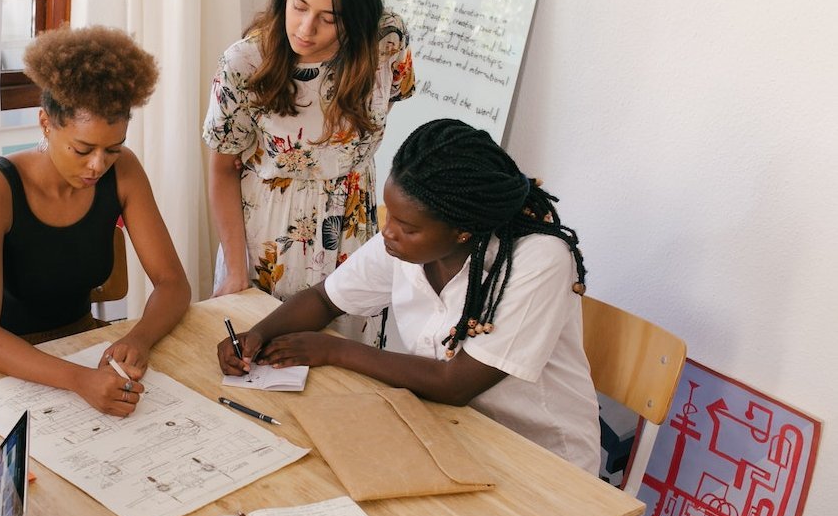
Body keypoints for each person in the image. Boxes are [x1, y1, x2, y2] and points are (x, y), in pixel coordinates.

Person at [218, 118, 599, 479]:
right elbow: (325, 299)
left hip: (540, 460)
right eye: (390, 217)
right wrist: (257, 335)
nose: (388, 233)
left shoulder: (538, 260)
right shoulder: (405, 246)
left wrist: (333, 350)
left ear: (462, 231)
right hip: (448, 431)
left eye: (407, 227)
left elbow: (455, 384)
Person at [0, 25, 190, 417]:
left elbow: (173, 284)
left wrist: (140, 338)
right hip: (1, 361)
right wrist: (80, 380)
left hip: (81, 343)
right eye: (83, 149)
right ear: (46, 123)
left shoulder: (124, 172)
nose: (98, 165)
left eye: (112, 149)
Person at [203, 0, 416, 344]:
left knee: (348, 370)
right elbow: (221, 168)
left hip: (353, 232)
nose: (305, 27)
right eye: (298, 5)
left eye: (329, 18)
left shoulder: (386, 41)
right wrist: (234, 269)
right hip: (269, 238)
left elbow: (384, 107)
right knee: (261, 362)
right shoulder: (246, 63)